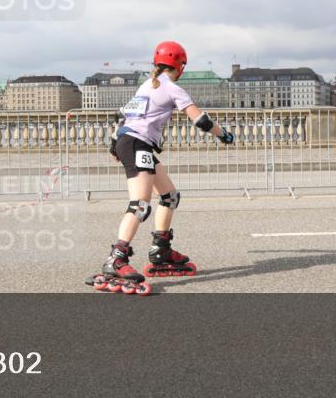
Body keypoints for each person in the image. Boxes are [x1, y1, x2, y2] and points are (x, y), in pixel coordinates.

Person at [98, 40, 235, 291]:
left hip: (131, 141)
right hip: (137, 144)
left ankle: (161, 249)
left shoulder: (147, 84)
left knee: (169, 196)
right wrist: (223, 134)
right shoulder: (172, 88)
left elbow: (125, 115)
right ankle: (116, 259)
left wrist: (115, 143)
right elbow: (201, 120)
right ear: (180, 66)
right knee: (140, 204)